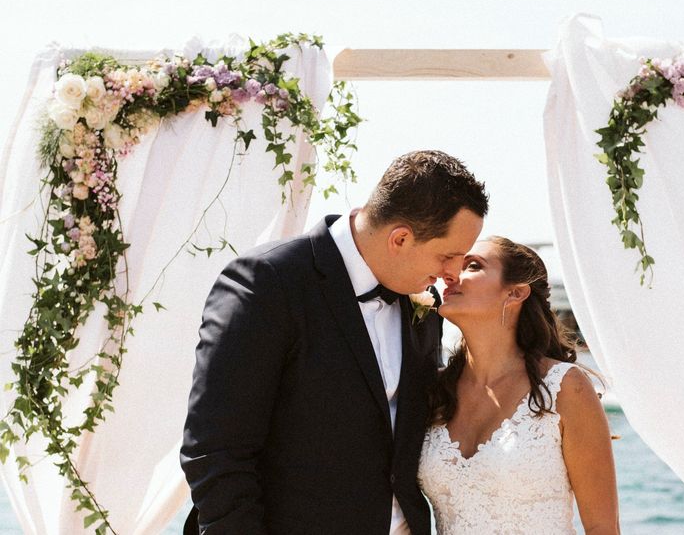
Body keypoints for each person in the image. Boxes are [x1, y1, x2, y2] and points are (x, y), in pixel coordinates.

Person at [180, 150, 489, 534]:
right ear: (401, 238)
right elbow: (215, 450)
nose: (452, 273)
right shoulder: (269, 282)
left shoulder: (421, 301)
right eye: (449, 256)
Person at [418, 237, 619, 534]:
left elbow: (603, 528)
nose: (451, 275)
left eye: (472, 266)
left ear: (515, 293)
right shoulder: (434, 390)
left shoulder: (565, 388)